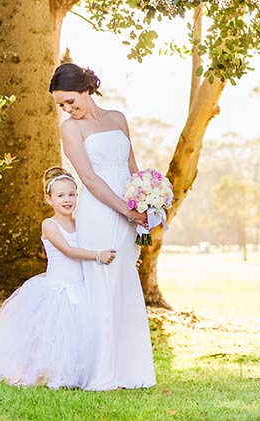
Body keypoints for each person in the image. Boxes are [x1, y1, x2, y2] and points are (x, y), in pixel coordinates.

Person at [49, 62, 156, 390]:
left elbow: (133, 168)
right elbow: (90, 180)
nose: (68, 109)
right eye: (61, 105)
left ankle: (131, 371)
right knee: (102, 287)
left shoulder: (117, 118)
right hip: (100, 214)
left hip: (130, 213)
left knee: (125, 283)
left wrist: (147, 203)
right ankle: (101, 373)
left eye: (70, 101)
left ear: (86, 89)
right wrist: (127, 211)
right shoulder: (71, 129)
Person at [0, 168, 116, 388]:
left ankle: (79, 374)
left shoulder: (81, 223)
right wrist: (98, 256)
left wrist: (121, 261)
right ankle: (46, 373)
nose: (67, 200)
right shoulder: (49, 225)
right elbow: (68, 251)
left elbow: (99, 243)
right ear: (49, 199)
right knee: (52, 335)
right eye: (60, 195)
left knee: (81, 335)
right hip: (56, 289)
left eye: (71, 194)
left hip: (81, 288)